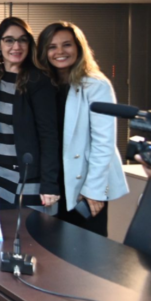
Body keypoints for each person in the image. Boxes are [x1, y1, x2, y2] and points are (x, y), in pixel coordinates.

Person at [35, 21, 129, 236]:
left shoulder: (96, 84)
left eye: (66, 44)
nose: (60, 51)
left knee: (85, 252)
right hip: (54, 179)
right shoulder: (45, 85)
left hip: (84, 183)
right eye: (52, 46)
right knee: (52, 248)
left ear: (79, 47)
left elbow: (104, 143)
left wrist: (94, 191)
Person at [0, 17, 60, 210]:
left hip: (29, 183)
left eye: (23, 40)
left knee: (31, 239)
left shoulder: (39, 81)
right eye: (9, 40)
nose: (16, 46)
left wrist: (50, 185)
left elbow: (49, 136)